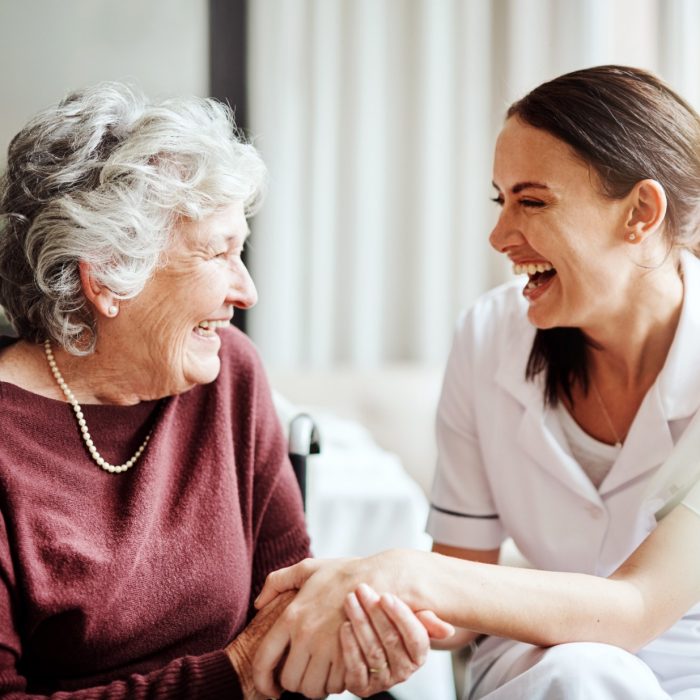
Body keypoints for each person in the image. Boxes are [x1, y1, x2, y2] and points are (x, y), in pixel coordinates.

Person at [249, 66, 700, 699]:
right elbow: (462, 588)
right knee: (577, 673)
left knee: (592, 670)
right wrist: (368, 613)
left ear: (640, 213)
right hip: (538, 671)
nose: (500, 236)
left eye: (532, 201)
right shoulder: (489, 338)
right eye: (501, 199)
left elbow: (635, 607)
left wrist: (410, 574)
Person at [0, 83, 444, 699]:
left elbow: (283, 606)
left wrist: (341, 644)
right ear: (105, 277)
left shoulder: (227, 373)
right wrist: (233, 674)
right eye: (219, 253)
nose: (247, 290)